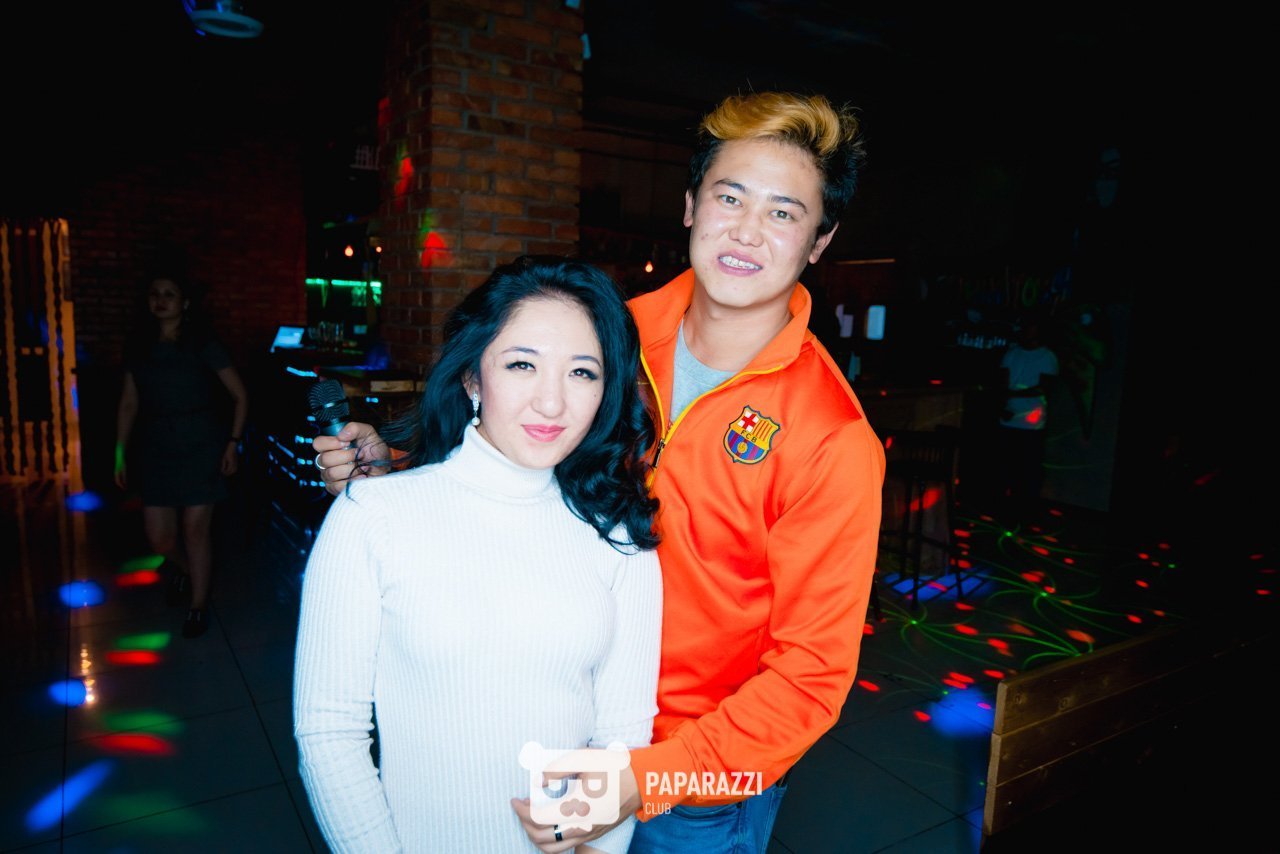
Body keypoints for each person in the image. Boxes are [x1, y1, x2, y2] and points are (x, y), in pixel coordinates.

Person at [314, 91, 885, 853]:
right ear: (691, 205)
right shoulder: (609, 334)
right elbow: (522, 451)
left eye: (784, 212)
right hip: (544, 706)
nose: (748, 230)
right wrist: (403, 474)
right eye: (730, 197)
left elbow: (810, 677)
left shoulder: (831, 436)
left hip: (691, 784)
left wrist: (644, 779)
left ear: (820, 240)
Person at [293, 256, 663, 853]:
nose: (551, 403)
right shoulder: (373, 517)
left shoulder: (619, 535)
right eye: (522, 365)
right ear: (472, 378)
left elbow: (622, 736)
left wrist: (596, 846)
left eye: (581, 373)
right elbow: (329, 732)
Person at [115, 271, 248, 639]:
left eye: (169, 294)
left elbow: (240, 395)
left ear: (185, 302)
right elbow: (128, 403)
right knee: (159, 538)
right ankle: (187, 570)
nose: (160, 300)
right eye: (154, 293)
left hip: (200, 443)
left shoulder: (202, 343)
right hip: (156, 446)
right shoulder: (139, 346)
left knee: (195, 530)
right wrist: (119, 452)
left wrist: (233, 442)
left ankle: (198, 605)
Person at [997, 314, 1059, 516]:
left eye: (1030, 326)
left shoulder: (1047, 357)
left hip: (1032, 424)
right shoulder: (1012, 353)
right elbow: (1003, 382)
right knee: (1006, 466)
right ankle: (1006, 508)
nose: (1025, 330)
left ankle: (1026, 510)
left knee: (1029, 468)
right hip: (1008, 419)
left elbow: (1044, 388)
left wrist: (1012, 394)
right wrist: (1003, 405)